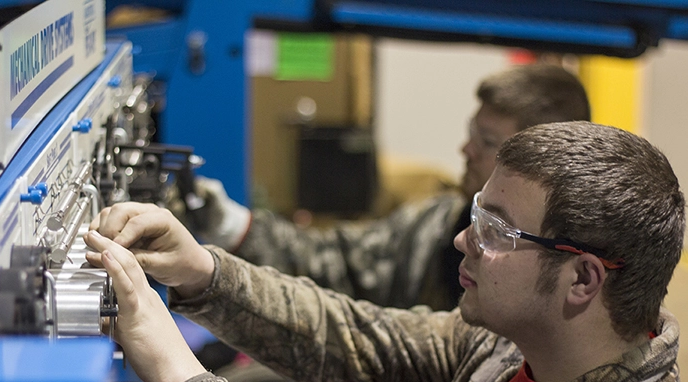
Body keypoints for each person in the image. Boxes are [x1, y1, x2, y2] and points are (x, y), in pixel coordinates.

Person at [85, 121, 687, 382]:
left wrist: (173, 370)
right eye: (476, 216)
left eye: (498, 231)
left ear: (582, 279)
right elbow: (361, 342)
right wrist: (206, 274)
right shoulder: (519, 350)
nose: (463, 241)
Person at [189, 63, 591, 311]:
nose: (465, 150)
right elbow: (343, 262)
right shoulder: (435, 223)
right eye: (471, 134)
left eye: (486, 143)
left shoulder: (553, 280)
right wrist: (235, 227)